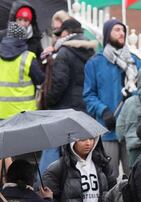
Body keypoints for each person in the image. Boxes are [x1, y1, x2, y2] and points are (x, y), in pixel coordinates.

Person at [83, 18, 141, 182]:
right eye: (117, 29)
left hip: (132, 128)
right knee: (108, 177)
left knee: (135, 176)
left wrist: (133, 96)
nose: (121, 33)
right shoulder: (95, 63)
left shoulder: (135, 62)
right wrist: (104, 111)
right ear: (107, 34)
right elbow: (88, 95)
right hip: (107, 129)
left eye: (123, 30)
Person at [39, 17, 97, 173]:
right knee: (77, 151)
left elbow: (59, 82)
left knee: (53, 147)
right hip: (84, 108)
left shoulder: (64, 52)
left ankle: (45, 181)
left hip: (63, 108)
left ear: (66, 32)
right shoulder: (92, 52)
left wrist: (49, 101)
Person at [0, 0, 42, 114]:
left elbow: (39, 70)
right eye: (20, 19)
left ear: (31, 22)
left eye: (26, 20)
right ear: (14, 19)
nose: (22, 23)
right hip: (3, 104)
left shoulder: (35, 40)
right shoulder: (0, 38)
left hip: (24, 107)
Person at [43, 137, 114, 202]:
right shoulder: (58, 168)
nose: (88, 143)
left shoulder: (102, 164)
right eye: (83, 139)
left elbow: (112, 191)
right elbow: (50, 200)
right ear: (72, 142)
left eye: (92, 138)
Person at [0, 21, 45, 120]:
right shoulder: (28, 57)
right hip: (25, 115)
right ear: (23, 39)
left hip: (1, 113)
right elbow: (40, 80)